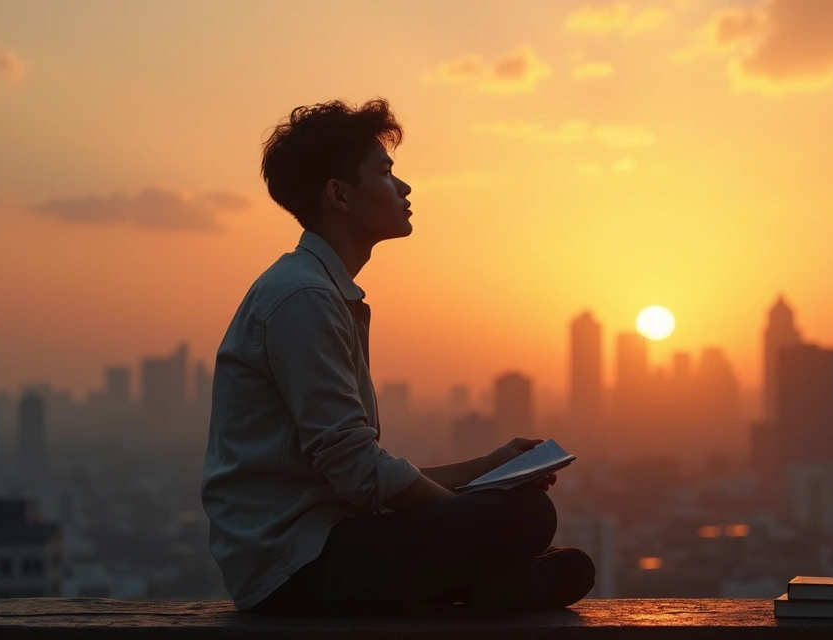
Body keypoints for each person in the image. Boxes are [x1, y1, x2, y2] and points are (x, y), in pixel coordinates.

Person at [201, 99, 595, 616]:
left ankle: (482, 585)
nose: (403, 188)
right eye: (385, 172)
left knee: (568, 562)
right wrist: (475, 516)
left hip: (322, 546)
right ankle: (483, 584)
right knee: (529, 519)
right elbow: (360, 474)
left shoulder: (316, 290)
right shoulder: (304, 299)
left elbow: (356, 474)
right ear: (340, 195)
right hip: (294, 569)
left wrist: (487, 472)